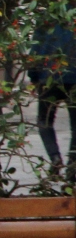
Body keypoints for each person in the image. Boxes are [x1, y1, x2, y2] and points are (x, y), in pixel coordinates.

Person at [29, 23, 76, 172]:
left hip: (48, 78)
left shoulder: (47, 20)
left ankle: (55, 157)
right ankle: (72, 167)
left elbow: (35, 51)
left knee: (44, 120)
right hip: (74, 79)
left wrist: (34, 76)